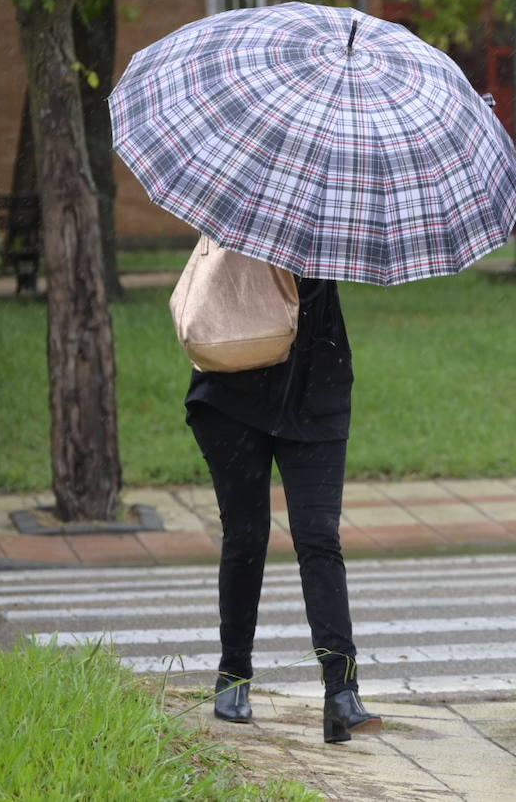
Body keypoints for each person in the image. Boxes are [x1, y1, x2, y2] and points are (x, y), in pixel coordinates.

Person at [185, 276, 381, 744]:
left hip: (317, 383)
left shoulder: (336, 209)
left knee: (318, 536)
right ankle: (233, 672)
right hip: (234, 382)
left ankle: (342, 691)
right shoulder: (249, 206)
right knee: (246, 535)